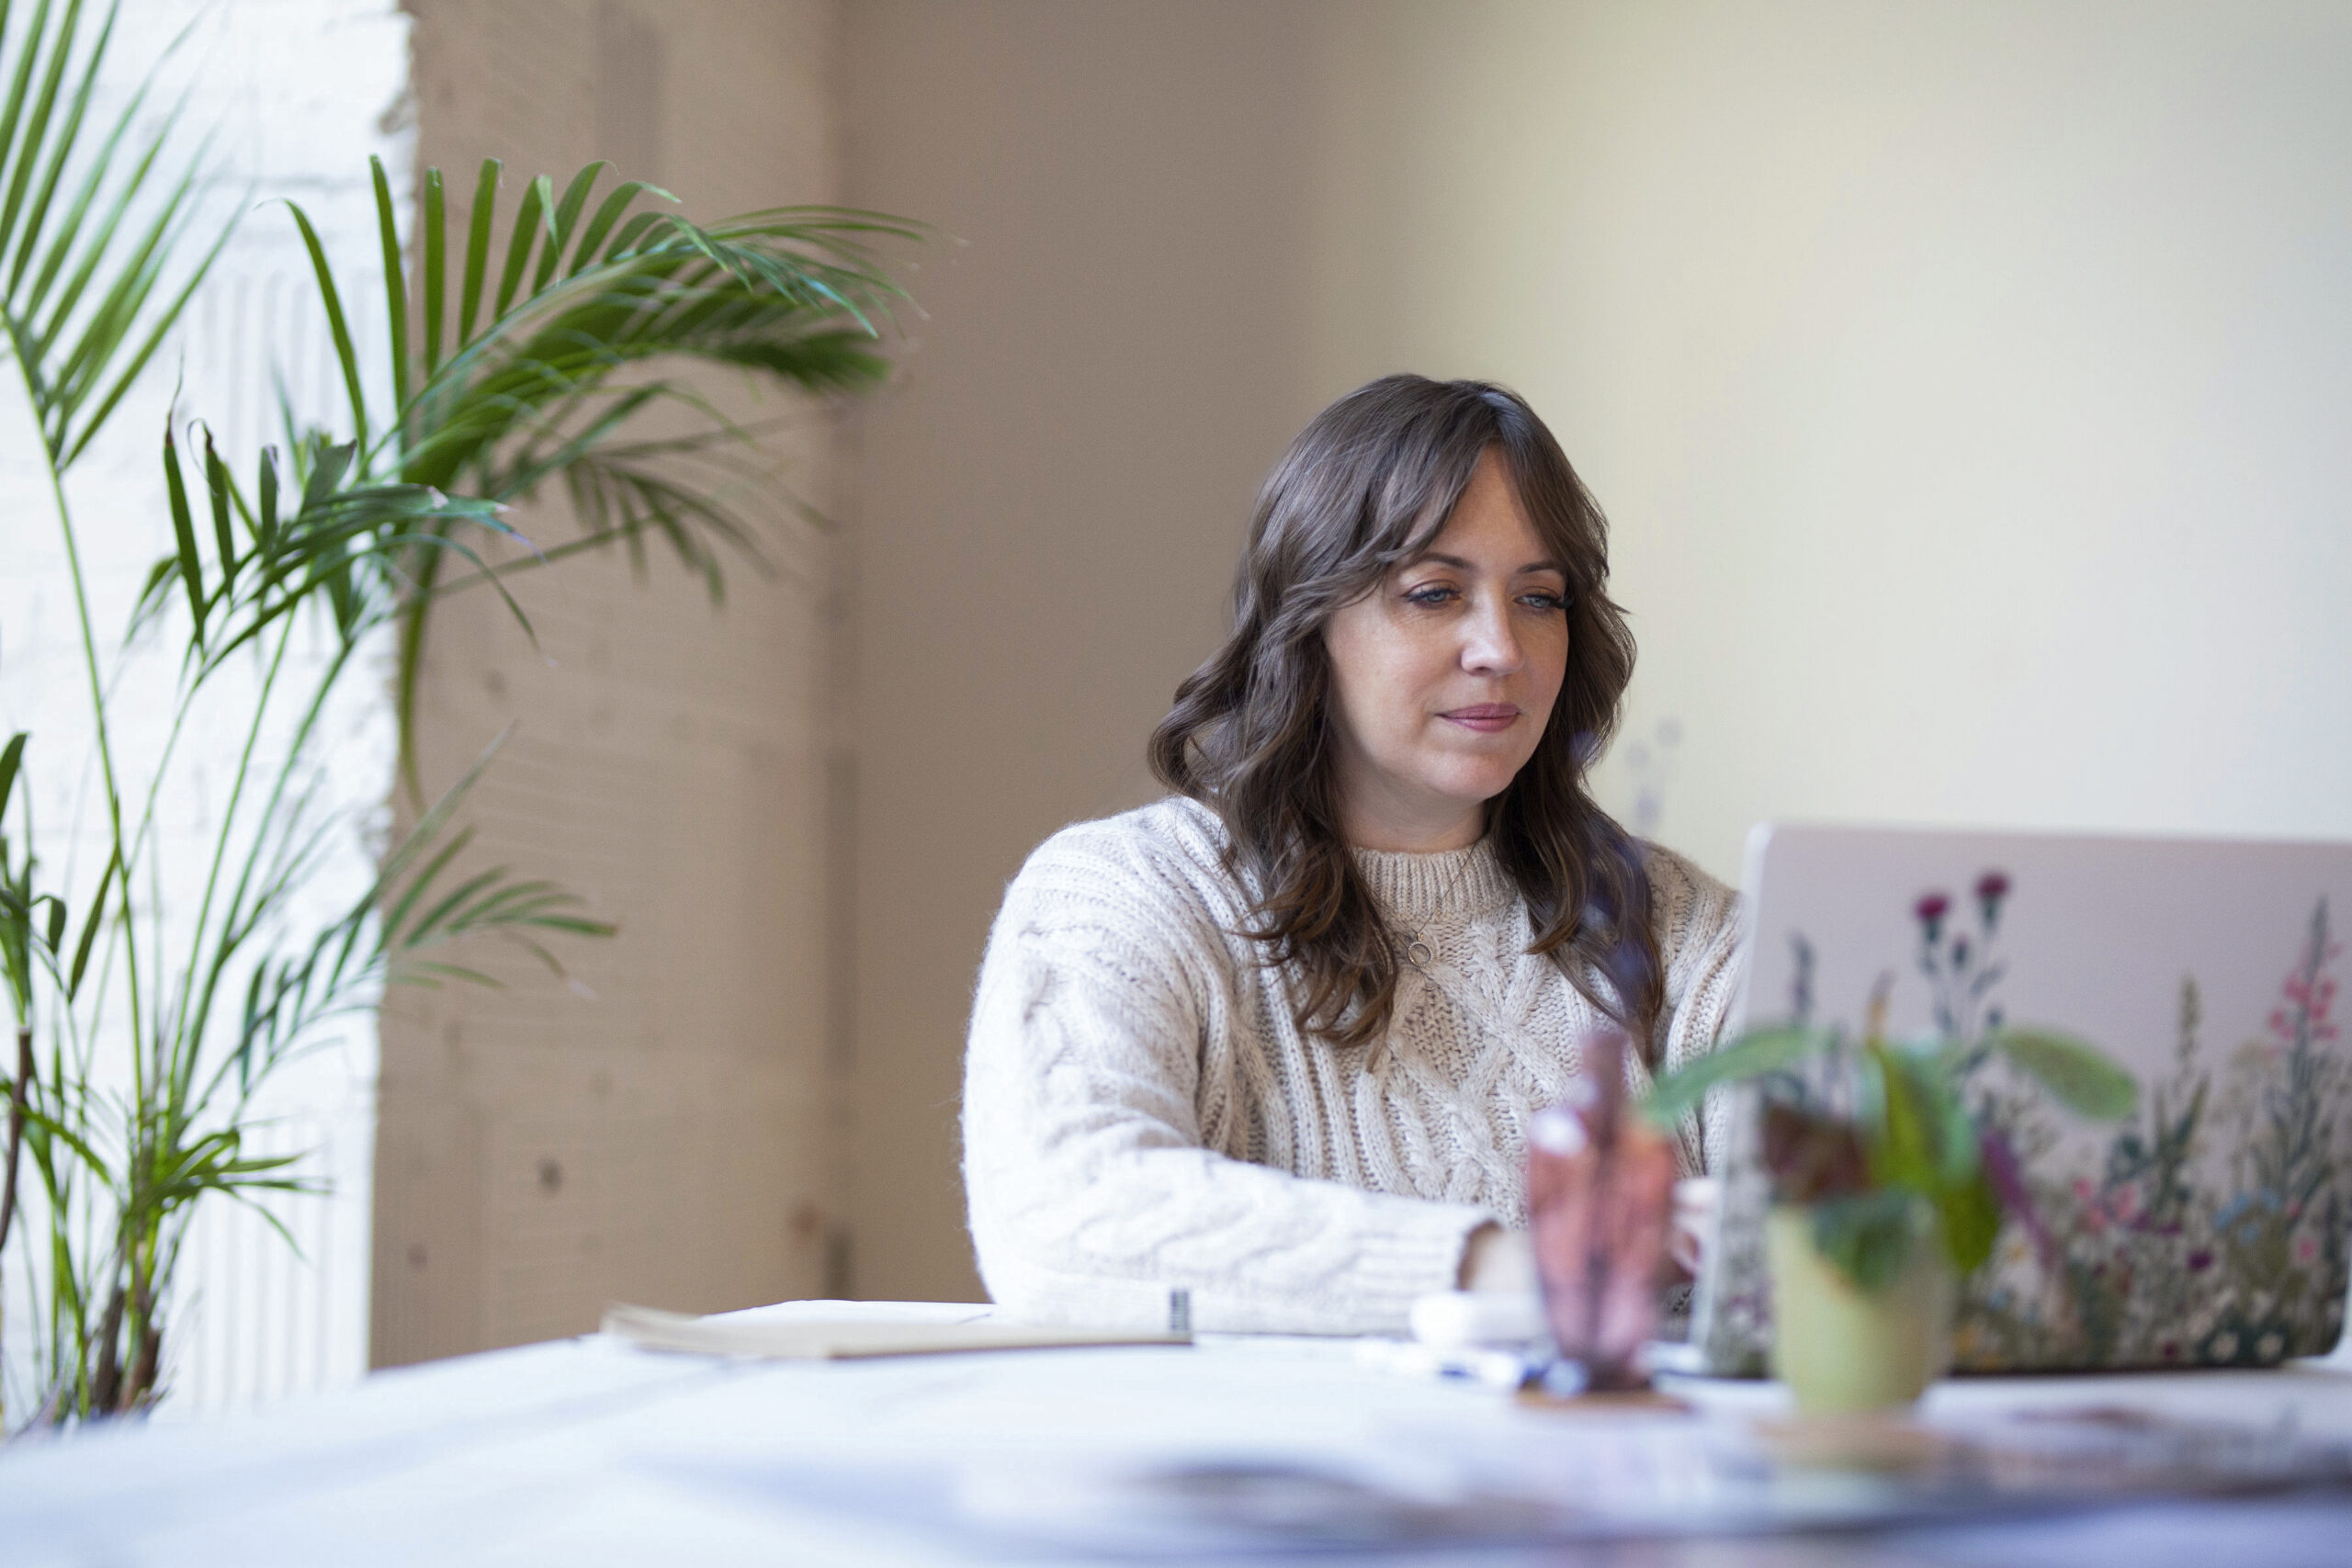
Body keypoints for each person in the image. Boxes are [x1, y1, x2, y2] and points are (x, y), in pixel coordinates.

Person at [961, 375, 1743, 1335]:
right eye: (1433, 593)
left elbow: (1852, 1229)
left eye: (1539, 597)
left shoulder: (1687, 936)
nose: (1501, 647)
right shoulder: (1126, 896)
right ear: (1309, 621)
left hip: (1610, 1481)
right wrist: (1517, 1268)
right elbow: (1062, 1220)